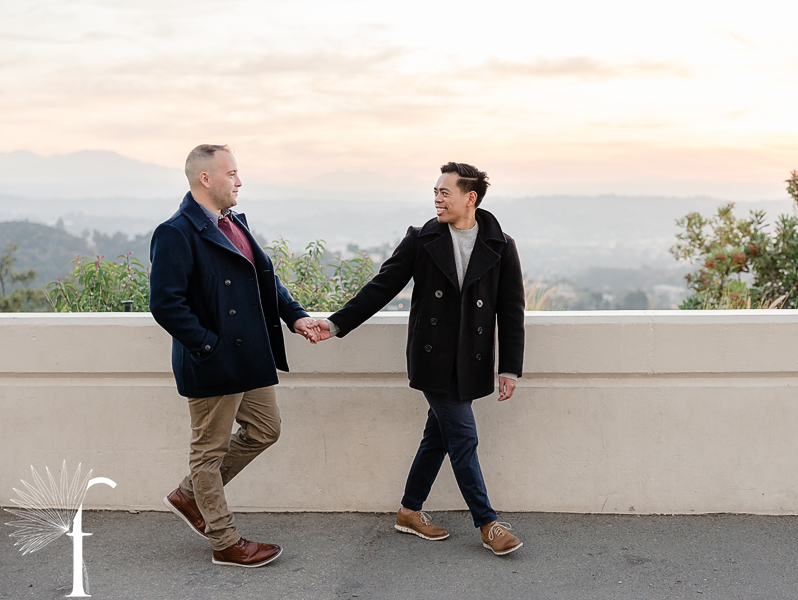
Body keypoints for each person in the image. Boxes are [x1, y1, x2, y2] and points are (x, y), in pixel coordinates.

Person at [313, 162, 526, 556]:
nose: (437, 199)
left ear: (470, 198)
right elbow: (382, 287)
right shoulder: (421, 239)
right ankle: (488, 523)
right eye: (436, 191)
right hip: (432, 358)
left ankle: (409, 511)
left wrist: (509, 367)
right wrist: (336, 324)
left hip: (472, 360)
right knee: (463, 437)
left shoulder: (500, 244)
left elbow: (511, 312)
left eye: (445, 192)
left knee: (438, 437)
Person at [149, 144, 318, 567]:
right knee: (208, 450)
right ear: (205, 179)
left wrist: (295, 316)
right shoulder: (176, 232)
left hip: (250, 356)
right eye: (232, 173)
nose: (239, 181)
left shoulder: (233, 223)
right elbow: (166, 304)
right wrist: (209, 346)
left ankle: (190, 495)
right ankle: (225, 541)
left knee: (265, 429)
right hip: (213, 359)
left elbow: (266, 281)